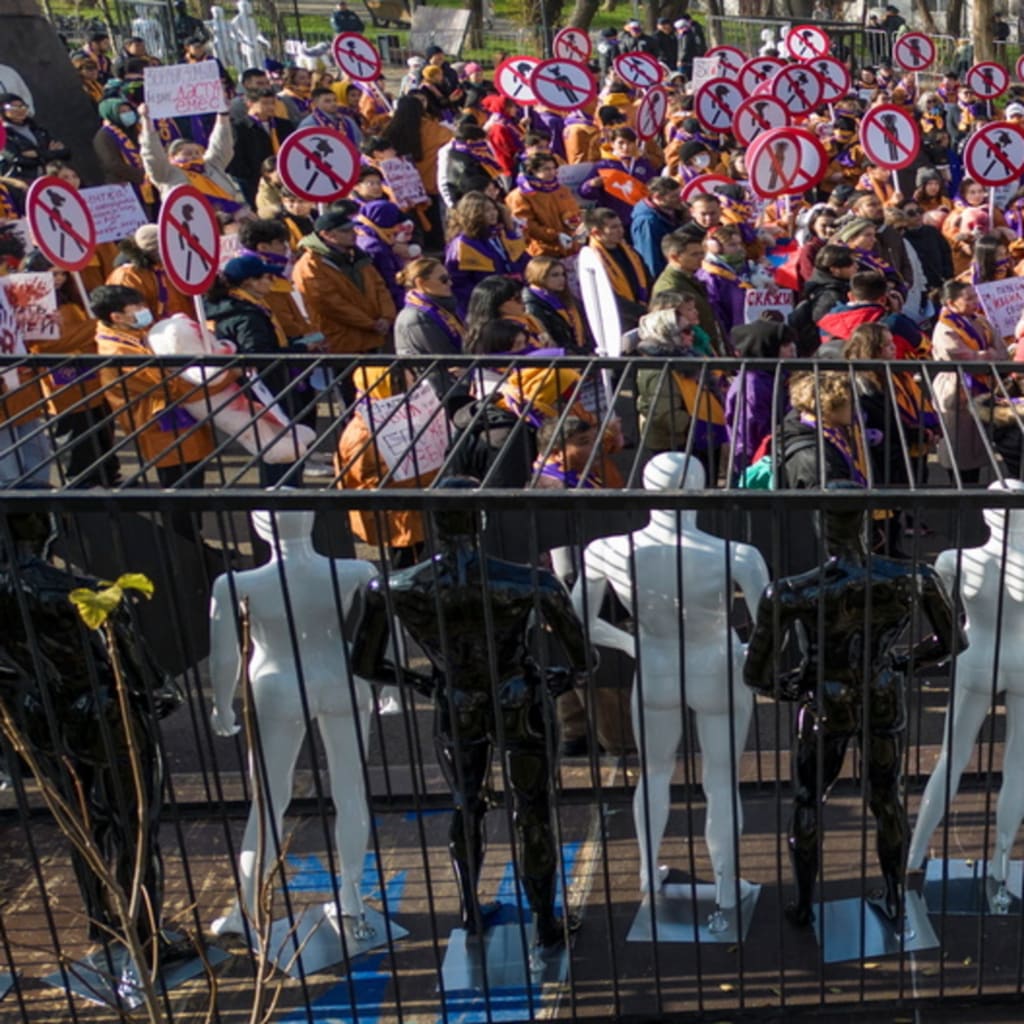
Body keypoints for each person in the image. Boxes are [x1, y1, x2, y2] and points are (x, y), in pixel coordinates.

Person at [351, 477, 591, 948]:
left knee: (465, 804)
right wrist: (556, 677)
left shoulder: (396, 586)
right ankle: (545, 921)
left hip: (455, 698)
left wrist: (425, 681)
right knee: (533, 809)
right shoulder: (528, 581)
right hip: (517, 694)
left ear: (433, 525)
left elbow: (364, 662)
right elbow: (582, 657)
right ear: (480, 519)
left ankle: (469, 910)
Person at [744, 489, 962, 929]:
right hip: (882, 690)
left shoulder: (791, 591)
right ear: (867, 523)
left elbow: (757, 673)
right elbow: (951, 640)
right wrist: (903, 660)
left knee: (808, 800)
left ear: (821, 527)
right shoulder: (913, 577)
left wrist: (788, 687)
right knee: (886, 798)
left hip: (826, 694)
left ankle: (805, 905)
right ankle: (896, 896)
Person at [574, 453, 768, 917]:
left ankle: (647, 871)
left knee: (654, 774)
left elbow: (575, 619)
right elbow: (771, 627)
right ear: (700, 490)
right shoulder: (735, 554)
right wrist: (748, 654)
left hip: (657, 663)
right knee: (721, 781)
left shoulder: (606, 550)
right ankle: (725, 885)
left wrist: (630, 643)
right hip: (716, 664)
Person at [208, 509, 377, 936]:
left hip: (278, 683)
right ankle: (351, 895)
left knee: (267, 802)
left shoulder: (236, 585)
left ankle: (247, 913)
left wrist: (222, 705)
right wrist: (388, 686)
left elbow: (226, 656)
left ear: (259, 527)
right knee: (351, 791)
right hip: (342, 678)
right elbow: (380, 632)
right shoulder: (355, 570)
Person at [907, 479, 1024, 903]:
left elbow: (936, 615)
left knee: (951, 759)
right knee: (1018, 766)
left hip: (977, 658)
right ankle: (1000, 863)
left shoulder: (955, 560)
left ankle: (915, 856)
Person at [291, 210, 396, 391]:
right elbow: (330, 304)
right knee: (351, 395)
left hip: (373, 337)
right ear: (327, 235)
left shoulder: (358, 256)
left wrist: (387, 317)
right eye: (346, 231)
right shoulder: (310, 264)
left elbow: (380, 287)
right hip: (342, 343)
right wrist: (370, 323)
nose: (353, 234)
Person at [931, 279, 1007, 485]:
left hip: (980, 387)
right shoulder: (944, 326)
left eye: (975, 296)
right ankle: (957, 486)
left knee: (976, 443)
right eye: (969, 298)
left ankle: (973, 483)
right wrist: (987, 355)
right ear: (951, 302)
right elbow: (958, 355)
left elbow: (1000, 349)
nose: (975, 301)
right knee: (957, 442)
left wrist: (988, 354)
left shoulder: (981, 321)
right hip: (956, 387)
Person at [380, 94, 453, 251]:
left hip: (403, 188)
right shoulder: (435, 130)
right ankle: (436, 249)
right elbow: (451, 141)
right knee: (435, 222)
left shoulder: (389, 130)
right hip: (429, 185)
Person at [726, 319, 797, 479]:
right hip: (757, 461)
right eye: (785, 345)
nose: (792, 349)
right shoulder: (752, 384)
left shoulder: (776, 374)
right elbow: (752, 430)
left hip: (774, 453)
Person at [444, 191, 527, 317]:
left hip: (514, 299)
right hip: (486, 306)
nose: (493, 213)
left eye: (494, 208)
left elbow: (524, 260)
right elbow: (458, 283)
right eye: (486, 211)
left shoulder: (503, 234)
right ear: (473, 214)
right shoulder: (463, 245)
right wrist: (489, 297)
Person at [393, 257, 466, 401]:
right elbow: (443, 355)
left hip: (449, 385)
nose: (450, 283)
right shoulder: (416, 317)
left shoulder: (443, 308)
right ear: (421, 283)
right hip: (436, 392)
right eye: (443, 279)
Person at [106, 224, 193, 320]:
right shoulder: (127, 276)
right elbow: (134, 317)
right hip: (155, 331)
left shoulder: (167, 267)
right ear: (154, 251)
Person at [585, 207, 650, 334]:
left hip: (642, 312)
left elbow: (647, 278)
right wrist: (641, 312)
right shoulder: (591, 259)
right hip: (617, 321)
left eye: (620, 225)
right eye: (614, 227)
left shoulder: (630, 252)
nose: (621, 230)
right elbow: (605, 295)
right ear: (596, 233)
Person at [579, 127, 657, 231]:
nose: (625, 147)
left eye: (630, 143)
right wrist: (591, 185)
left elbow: (654, 185)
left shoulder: (642, 163)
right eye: (621, 143)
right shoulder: (603, 165)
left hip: (640, 218)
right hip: (613, 220)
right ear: (612, 144)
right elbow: (584, 193)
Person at [506, 152, 581, 259]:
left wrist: (578, 225)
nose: (552, 172)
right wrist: (555, 236)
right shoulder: (520, 195)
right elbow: (527, 225)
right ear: (533, 171)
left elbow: (574, 211)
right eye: (547, 169)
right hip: (544, 251)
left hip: (570, 247)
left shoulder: (561, 189)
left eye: (554, 168)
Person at [523, 256, 592, 355]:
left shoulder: (565, 298)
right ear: (539, 275)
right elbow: (547, 340)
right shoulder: (531, 305)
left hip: (580, 352)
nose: (562, 279)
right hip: (561, 357)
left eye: (563, 274)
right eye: (555, 275)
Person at [0, 94, 70, 182]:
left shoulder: (38, 130)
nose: (20, 110)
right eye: (13, 107)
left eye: (22, 106)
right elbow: (18, 159)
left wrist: (38, 153)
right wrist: (50, 153)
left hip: (53, 178)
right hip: (24, 183)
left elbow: (65, 153)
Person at [630, 177, 686, 280]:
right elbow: (650, 258)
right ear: (658, 197)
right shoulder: (648, 222)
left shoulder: (673, 212)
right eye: (674, 196)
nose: (680, 199)